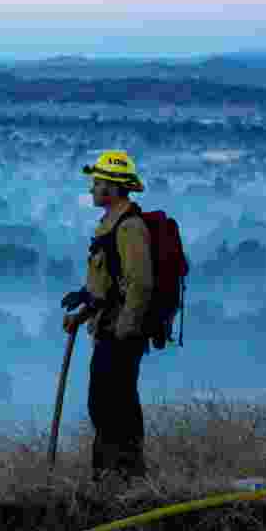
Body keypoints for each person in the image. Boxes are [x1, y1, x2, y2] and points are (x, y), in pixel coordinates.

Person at [61, 150, 154, 486]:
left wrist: (124, 331)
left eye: (97, 182)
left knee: (116, 406)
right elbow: (107, 289)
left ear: (113, 187)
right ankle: (107, 477)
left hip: (120, 336)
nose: (92, 189)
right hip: (107, 330)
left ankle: (126, 477)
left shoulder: (130, 227)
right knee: (102, 405)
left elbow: (141, 284)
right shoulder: (108, 226)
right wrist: (82, 312)